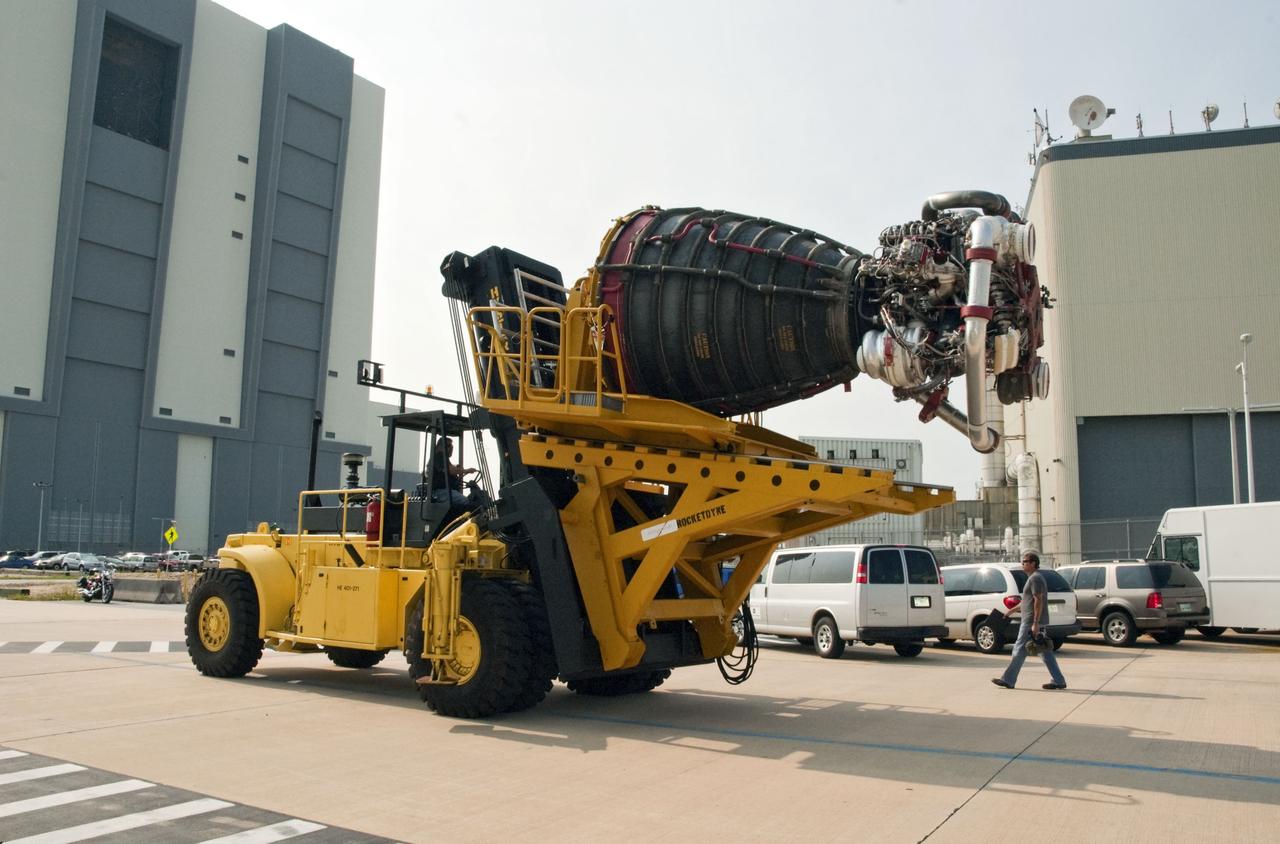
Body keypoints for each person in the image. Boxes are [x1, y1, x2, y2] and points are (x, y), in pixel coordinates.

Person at [992, 551, 1067, 690]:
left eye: (1025, 561)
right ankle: (1059, 680)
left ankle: (1008, 680)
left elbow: (1038, 600)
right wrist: (1011, 610)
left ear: (1033, 563)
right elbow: (1028, 601)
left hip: (1031, 622)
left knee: (1019, 649)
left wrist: (1035, 623)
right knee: (1045, 652)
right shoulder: (1034, 578)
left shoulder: (1035, 578)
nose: (1023, 564)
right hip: (1033, 621)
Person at [431, 437, 478, 509]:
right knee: (467, 503)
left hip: (445, 491)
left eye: (452, 446)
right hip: (439, 492)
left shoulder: (444, 459)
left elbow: (450, 474)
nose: (451, 448)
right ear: (440, 446)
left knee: (468, 501)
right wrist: (466, 470)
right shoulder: (439, 456)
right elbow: (449, 469)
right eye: (449, 446)